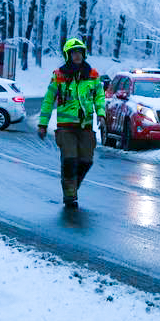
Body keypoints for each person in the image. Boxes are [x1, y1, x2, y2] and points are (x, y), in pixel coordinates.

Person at [37, 37, 104, 208]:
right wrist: (42, 124)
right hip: (66, 128)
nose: (77, 55)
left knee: (86, 161)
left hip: (86, 127)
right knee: (69, 160)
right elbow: (48, 100)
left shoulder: (93, 75)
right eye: (73, 52)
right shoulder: (58, 75)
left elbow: (99, 97)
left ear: (84, 53)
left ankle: (73, 186)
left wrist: (101, 114)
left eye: (79, 52)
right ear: (68, 55)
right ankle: (69, 194)